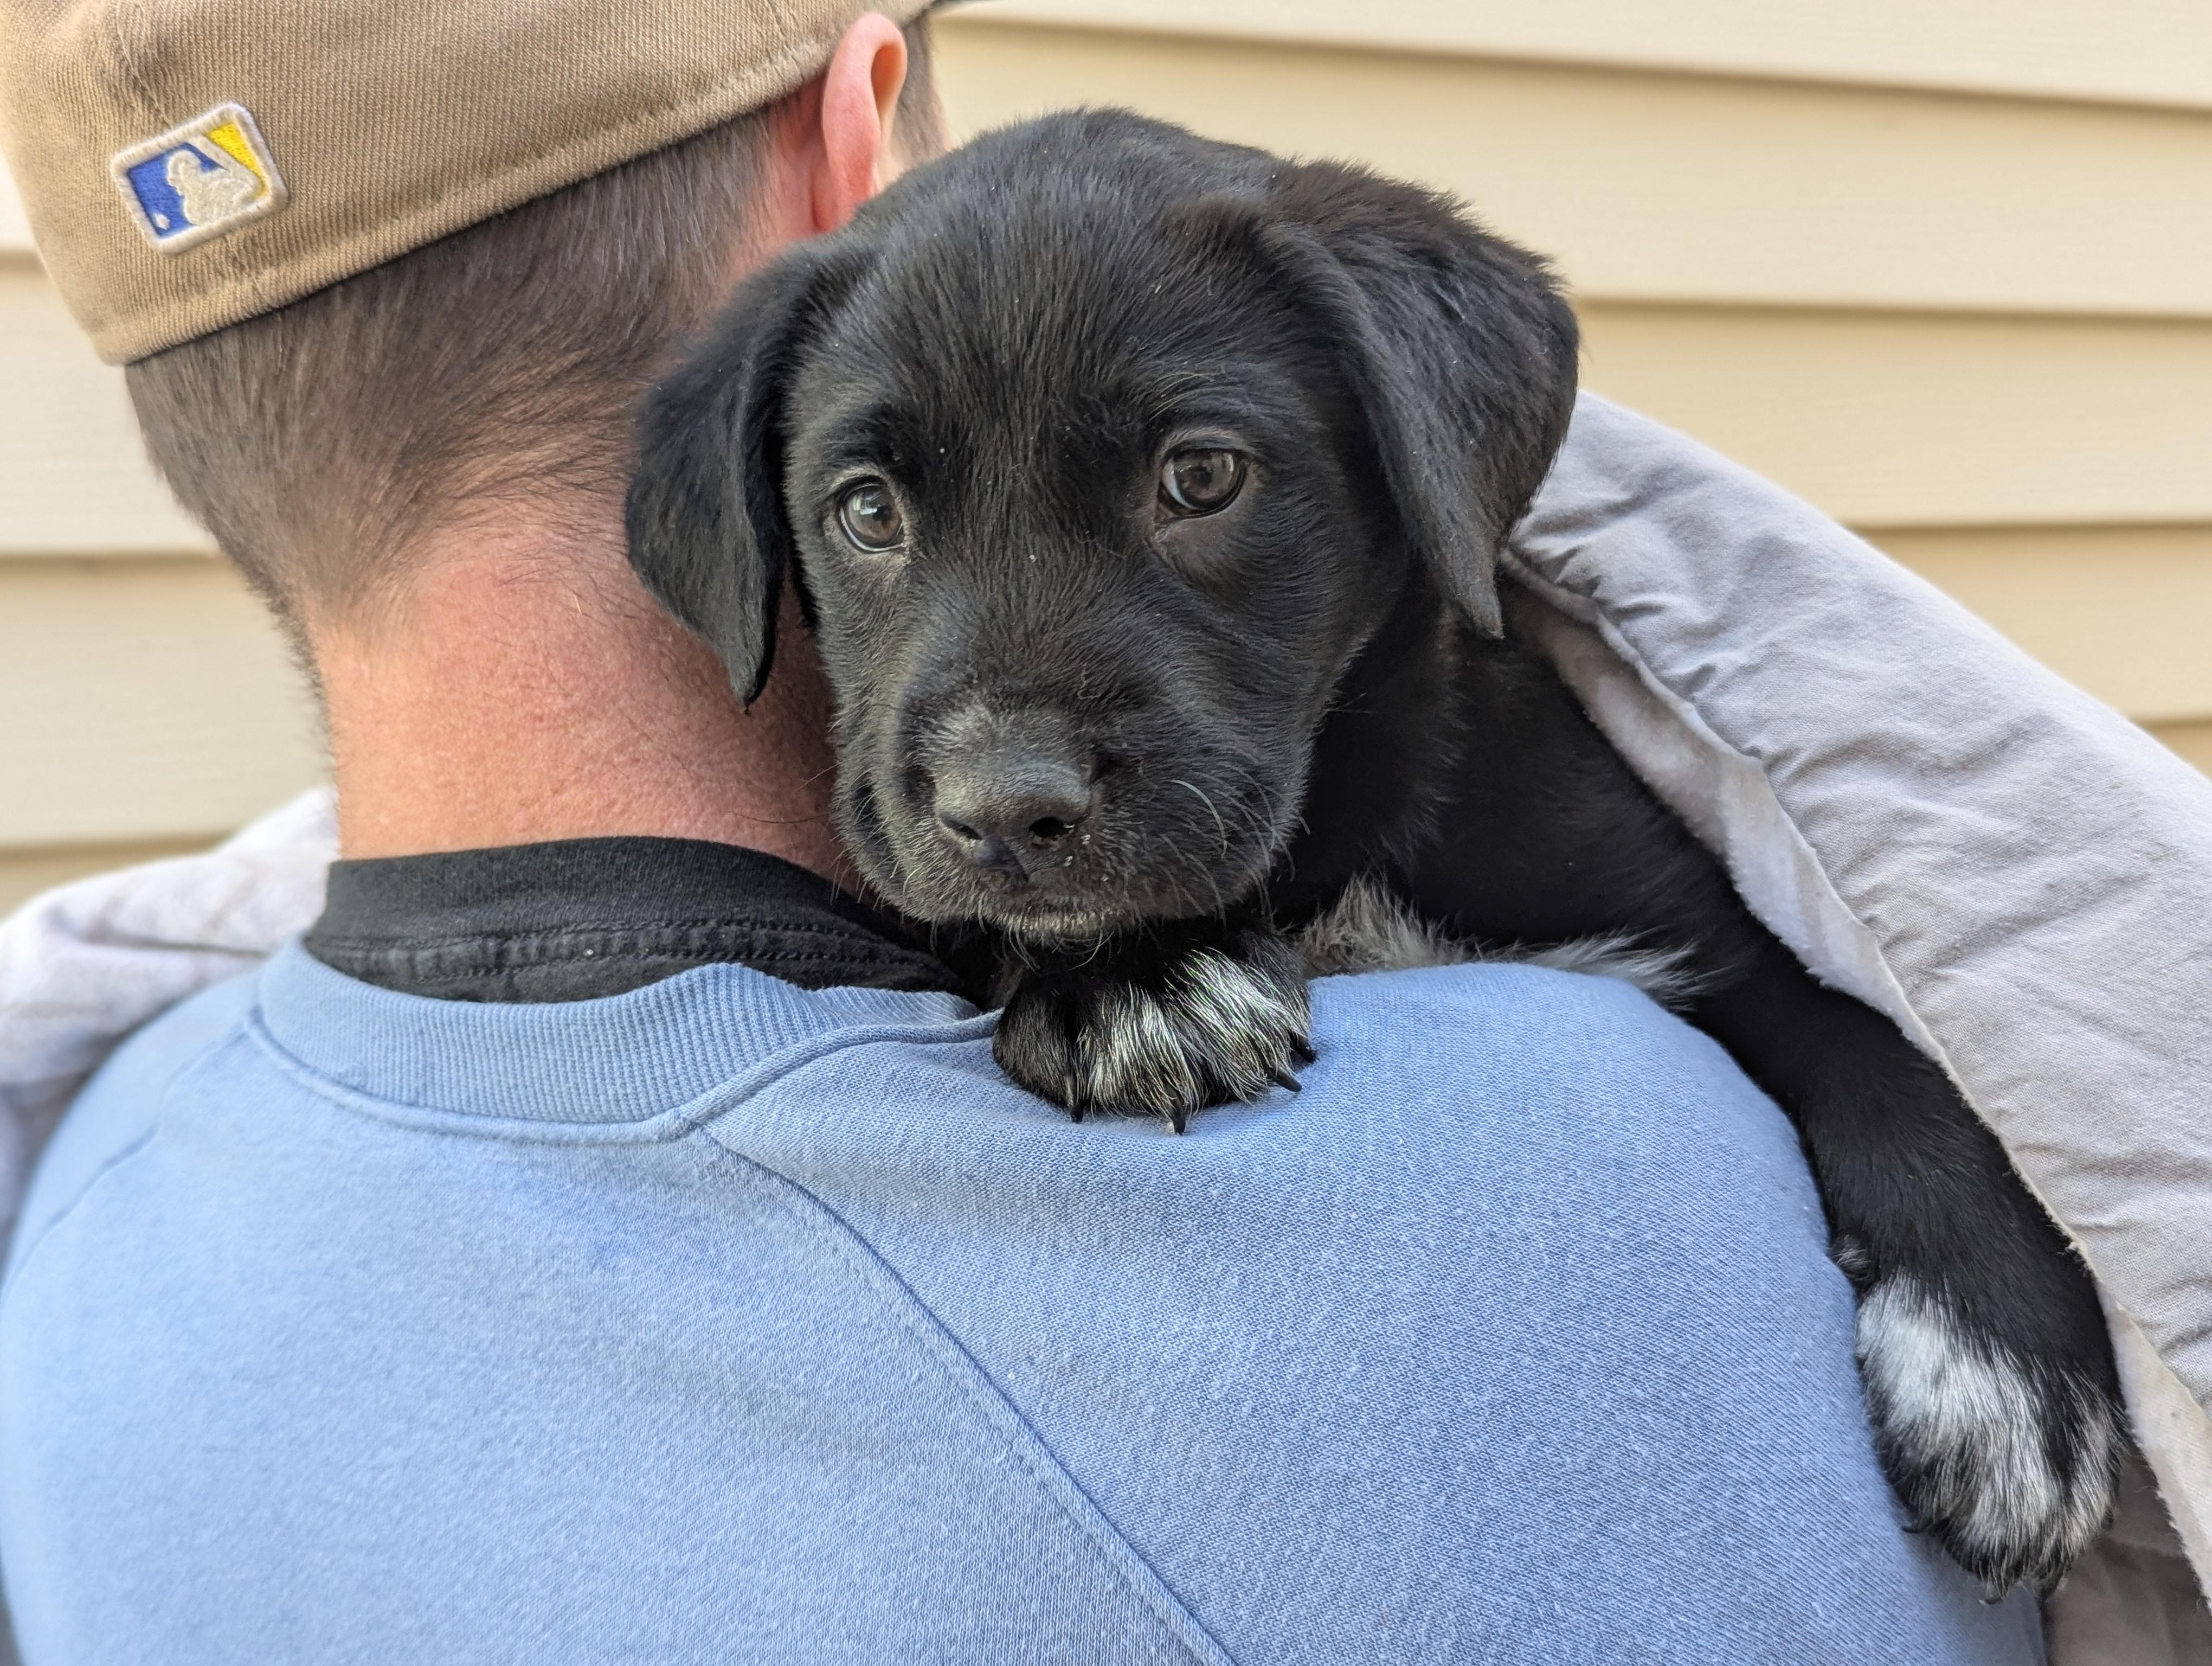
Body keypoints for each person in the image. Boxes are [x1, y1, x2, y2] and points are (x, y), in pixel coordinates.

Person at [1, 3, 2204, 1661]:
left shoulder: (89, 1217)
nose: (1003, 773)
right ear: (850, 139)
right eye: (871, 510)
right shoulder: (1590, 1204)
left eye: (1192, 481)